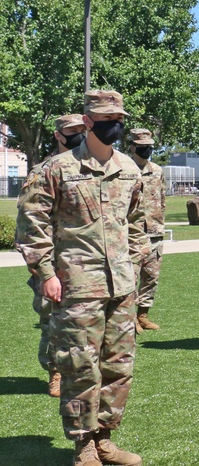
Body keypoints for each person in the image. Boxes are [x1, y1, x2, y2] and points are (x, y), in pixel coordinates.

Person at [16, 90, 147, 466]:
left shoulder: (129, 169)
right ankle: (83, 444)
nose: (115, 126)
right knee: (79, 364)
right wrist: (44, 272)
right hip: (75, 285)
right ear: (88, 122)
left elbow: (137, 222)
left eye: (119, 119)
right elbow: (31, 223)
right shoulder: (57, 169)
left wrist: (133, 263)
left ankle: (105, 438)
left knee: (118, 366)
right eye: (107, 120)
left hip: (120, 285)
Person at [16, 113, 87, 398]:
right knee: (51, 320)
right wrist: (43, 269)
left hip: (85, 262)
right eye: (73, 131)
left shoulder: (91, 167)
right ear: (59, 135)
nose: (79, 136)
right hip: (54, 262)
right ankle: (55, 372)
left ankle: (80, 372)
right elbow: (29, 224)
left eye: (83, 130)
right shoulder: (43, 169)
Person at [128, 128, 165, 332]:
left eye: (149, 147)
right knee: (130, 276)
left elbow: (162, 199)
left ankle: (143, 314)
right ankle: (129, 317)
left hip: (154, 231)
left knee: (151, 276)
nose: (146, 150)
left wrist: (160, 223)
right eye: (142, 147)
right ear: (132, 147)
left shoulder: (157, 171)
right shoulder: (123, 170)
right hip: (130, 232)